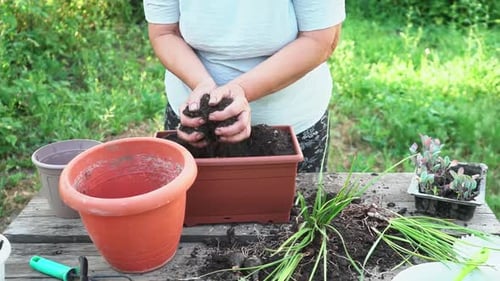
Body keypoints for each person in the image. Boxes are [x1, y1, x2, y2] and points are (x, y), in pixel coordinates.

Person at [144, 0, 345, 172]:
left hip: (289, 121)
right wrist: (201, 84)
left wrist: (242, 89)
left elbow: (320, 39)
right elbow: (164, 32)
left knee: (293, 213)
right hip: (195, 118)